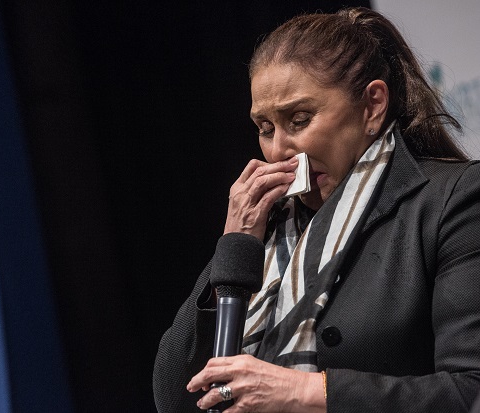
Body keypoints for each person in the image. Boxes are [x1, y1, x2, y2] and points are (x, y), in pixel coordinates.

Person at [153, 6, 480, 413]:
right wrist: (234, 250)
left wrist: (305, 392)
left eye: (300, 119)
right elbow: (174, 398)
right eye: (265, 128)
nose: (278, 151)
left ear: (372, 106)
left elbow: (470, 392)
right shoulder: (265, 228)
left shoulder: (451, 199)